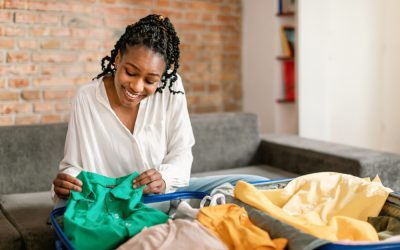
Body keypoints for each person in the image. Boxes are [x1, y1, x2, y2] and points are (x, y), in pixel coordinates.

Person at [52, 14, 267, 205]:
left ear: (162, 78)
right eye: (130, 72)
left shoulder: (172, 89)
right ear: (118, 60)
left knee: (257, 184)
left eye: (150, 80)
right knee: (62, 207)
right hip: (109, 200)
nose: (136, 87)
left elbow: (182, 153)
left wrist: (164, 179)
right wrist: (68, 181)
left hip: (161, 194)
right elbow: (73, 166)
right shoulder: (87, 97)